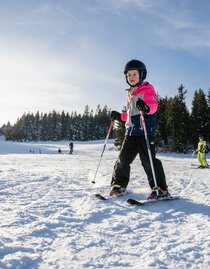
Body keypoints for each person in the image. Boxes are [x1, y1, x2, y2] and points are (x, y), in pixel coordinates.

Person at [110, 59, 170, 199]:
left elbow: (153, 105)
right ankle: (118, 185)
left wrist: (147, 108)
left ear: (141, 75)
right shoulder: (130, 93)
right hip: (130, 132)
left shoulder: (147, 89)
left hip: (144, 131)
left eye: (134, 74)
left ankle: (160, 188)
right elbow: (130, 115)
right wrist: (119, 116)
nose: (131, 77)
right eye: (129, 75)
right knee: (123, 159)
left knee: (148, 160)